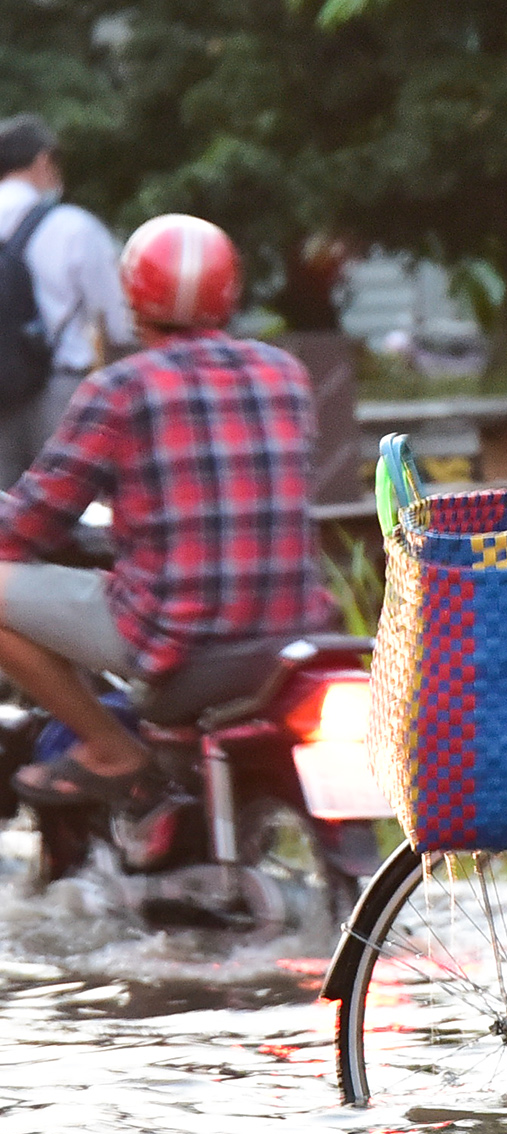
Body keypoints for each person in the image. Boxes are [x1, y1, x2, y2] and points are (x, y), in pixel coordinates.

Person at [0, 213, 332, 809]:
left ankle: (112, 749)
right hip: (295, 625)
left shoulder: (120, 389)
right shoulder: (285, 374)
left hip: (177, 633)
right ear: (230, 292)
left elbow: (30, 526)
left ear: (133, 298)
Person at [0, 114, 135, 489]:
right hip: (58, 394)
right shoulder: (73, 226)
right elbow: (120, 321)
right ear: (44, 161)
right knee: (64, 511)